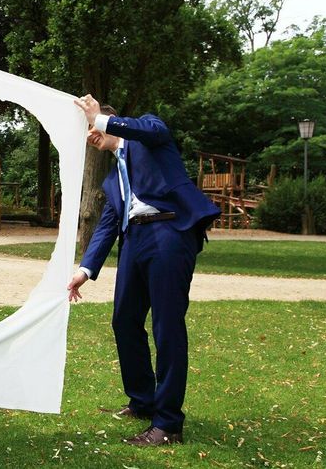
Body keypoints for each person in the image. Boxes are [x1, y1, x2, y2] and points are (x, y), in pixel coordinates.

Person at [67, 95, 220, 447]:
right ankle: (143, 401)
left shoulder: (149, 133)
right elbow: (106, 226)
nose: (91, 134)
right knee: (124, 320)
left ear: (111, 119)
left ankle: (168, 424)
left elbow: (153, 128)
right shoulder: (111, 181)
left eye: (92, 126)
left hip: (168, 232)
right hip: (134, 241)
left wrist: (100, 119)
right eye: (87, 130)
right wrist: (85, 270)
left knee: (166, 325)